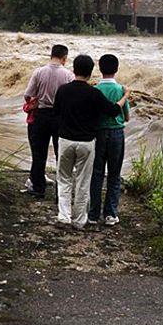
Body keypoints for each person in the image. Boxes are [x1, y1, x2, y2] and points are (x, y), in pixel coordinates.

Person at [53, 55, 129, 228]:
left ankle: (64, 216)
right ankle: (79, 220)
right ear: (90, 72)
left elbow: (56, 112)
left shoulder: (63, 90)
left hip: (65, 140)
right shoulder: (93, 93)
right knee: (82, 181)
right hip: (87, 143)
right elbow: (112, 110)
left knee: (64, 179)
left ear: (73, 70)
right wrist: (125, 96)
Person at [23, 44, 74, 198]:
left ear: (51, 55)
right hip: (60, 117)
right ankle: (61, 191)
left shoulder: (39, 72)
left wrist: (35, 101)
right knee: (62, 155)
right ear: (64, 58)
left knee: (39, 154)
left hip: (41, 115)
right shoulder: (68, 75)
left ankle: (38, 188)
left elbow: (28, 94)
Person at [88, 54, 130, 226]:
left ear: (100, 68)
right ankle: (111, 214)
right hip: (116, 134)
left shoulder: (96, 89)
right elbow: (126, 117)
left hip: (98, 134)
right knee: (114, 174)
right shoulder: (120, 90)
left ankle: (93, 214)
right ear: (117, 69)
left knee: (97, 173)